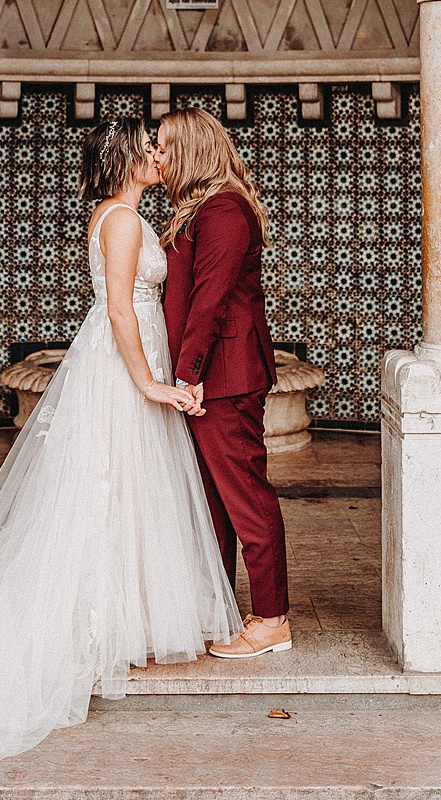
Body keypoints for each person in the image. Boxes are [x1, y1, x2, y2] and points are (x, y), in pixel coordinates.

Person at [0, 116, 240, 757]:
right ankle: (92, 625)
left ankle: (130, 617)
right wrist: (149, 384)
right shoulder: (118, 219)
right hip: (120, 367)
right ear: (124, 161)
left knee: (133, 492)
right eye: (149, 150)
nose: (158, 157)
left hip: (138, 357)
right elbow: (118, 307)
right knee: (101, 491)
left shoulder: (132, 217)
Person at [156, 107, 291, 659]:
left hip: (225, 378)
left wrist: (187, 376)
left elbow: (208, 301)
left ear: (190, 149)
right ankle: (223, 607)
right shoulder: (202, 209)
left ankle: (273, 618)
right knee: (215, 500)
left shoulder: (223, 210)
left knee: (245, 496)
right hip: (215, 376)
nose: (156, 157)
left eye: (163, 146)